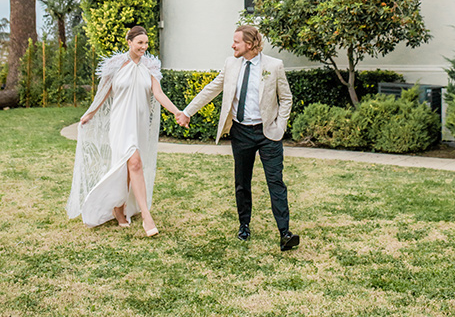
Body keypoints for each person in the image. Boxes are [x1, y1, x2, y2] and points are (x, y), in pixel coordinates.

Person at [176, 25, 299, 251]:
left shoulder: (274, 66)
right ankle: (244, 225)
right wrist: (187, 112)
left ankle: (285, 233)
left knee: (276, 182)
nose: (232, 45)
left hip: (267, 134)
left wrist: (279, 127)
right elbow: (211, 89)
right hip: (241, 132)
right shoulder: (231, 64)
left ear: (250, 44)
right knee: (242, 182)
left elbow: (287, 98)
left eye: (236, 42)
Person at [67, 25, 181, 236]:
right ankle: (147, 216)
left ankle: (119, 207)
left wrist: (176, 111)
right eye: (140, 43)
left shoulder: (151, 67)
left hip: (139, 124)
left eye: (146, 43)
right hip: (120, 123)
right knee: (134, 163)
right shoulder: (116, 65)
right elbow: (103, 92)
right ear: (129, 42)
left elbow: (158, 93)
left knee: (129, 167)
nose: (144, 47)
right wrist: (90, 113)